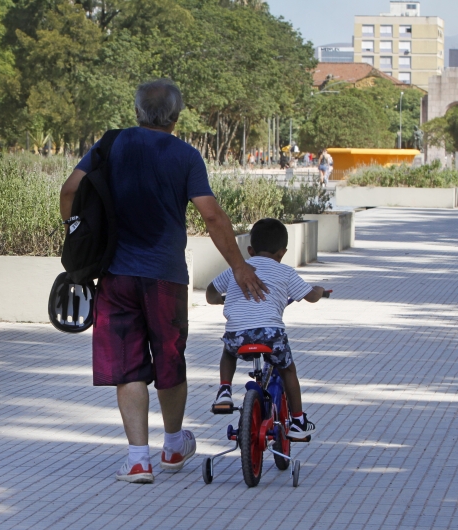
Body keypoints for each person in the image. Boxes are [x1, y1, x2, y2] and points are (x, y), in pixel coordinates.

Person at [60, 79, 267, 484]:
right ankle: (173, 445)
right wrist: (240, 266)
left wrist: (76, 234)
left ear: (137, 111)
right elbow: (212, 215)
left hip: (116, 275)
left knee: (127, 367)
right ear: (175, 116)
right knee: (170, 361)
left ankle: (138, 459)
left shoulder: (111, 144)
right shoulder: (186, 156)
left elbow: (70, 189)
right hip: (165, 279)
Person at [205, 218, 325, 439]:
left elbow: (210, 293)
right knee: (288, 369)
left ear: (250, 250)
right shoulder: (286, 272)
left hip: (237, 335)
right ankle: (298, 421)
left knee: (228, 352)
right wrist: (319, 290)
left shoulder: (237, 269)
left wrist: (222, 300)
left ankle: (224, 391)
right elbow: (311, 297)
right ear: (282, 253)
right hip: (271, 335)